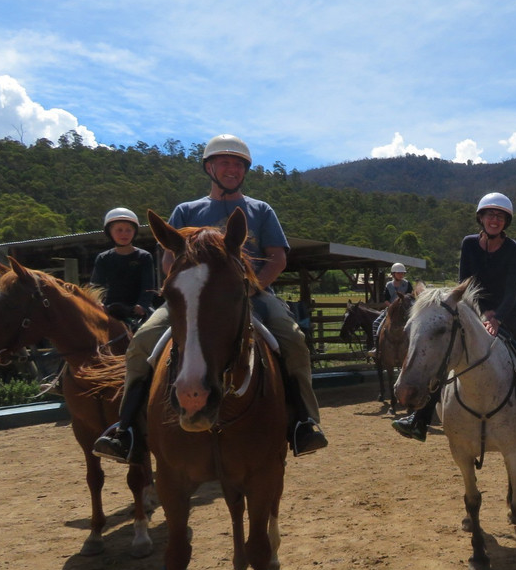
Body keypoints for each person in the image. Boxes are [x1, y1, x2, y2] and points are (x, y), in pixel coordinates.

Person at [92, 134, 328, 464]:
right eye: (224, 162)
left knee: (292, 340)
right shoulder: (186, 211)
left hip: (253, 296)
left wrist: (249, 289)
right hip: (191, 301)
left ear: (245, 170)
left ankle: (304, 421)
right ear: (209, 167)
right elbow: (169, 260)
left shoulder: (260, 210)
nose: (232, 169)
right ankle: (126, 429)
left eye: (238, 164)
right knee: (142, 342)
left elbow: (277, 258)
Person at [391, 193, 516, 451]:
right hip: (473, 314)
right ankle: (419, 420)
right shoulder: (469, 244)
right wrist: (483, 312)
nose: (494, 220)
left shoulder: (513, 249)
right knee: (444, 356)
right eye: (490, 214)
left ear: (506, 221)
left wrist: (497, 316)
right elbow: (465, 284)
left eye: (500, 216)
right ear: (481, 217)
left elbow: (511, 292)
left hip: (510, 315)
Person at [90, 207, 155, 327]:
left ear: (134, 232)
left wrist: (142, 305)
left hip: (137, 311)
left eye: (128, 230)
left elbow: (148, 286)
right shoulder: (103, 258)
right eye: (119, 230)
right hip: (110, 310)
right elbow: (96, 286)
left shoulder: (144, 256)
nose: (124, 234)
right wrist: (99, 304)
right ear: (110, 232)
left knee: (157, 331)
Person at [370, 262, 413, 352]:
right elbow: (386, 299)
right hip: (391, 309)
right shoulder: (389, 285)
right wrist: (392, 307)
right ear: (393, 274)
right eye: (399, 273)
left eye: (402, 273)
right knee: (376, 324)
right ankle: (376, 347)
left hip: (405, 310)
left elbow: (411, 297)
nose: (401, 275)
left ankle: (414, 347)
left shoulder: (407, 284)